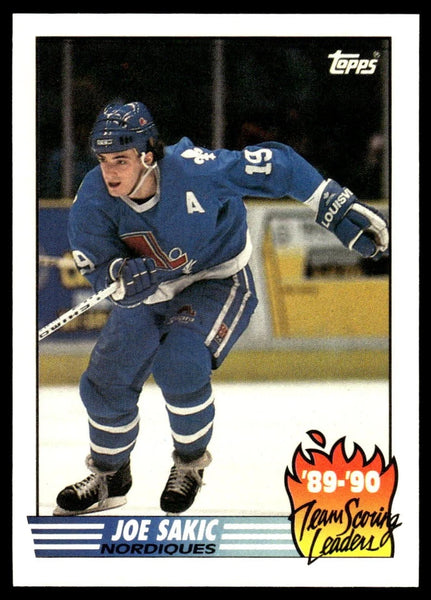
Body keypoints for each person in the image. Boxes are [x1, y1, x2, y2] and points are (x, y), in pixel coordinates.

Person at [53, 101, 389, 516]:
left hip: (217, 278)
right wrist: (119, 275)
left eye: (120, 160)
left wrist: (333, 205)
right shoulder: (92, 197)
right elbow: (100, 268)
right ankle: (110, 477)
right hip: (154, 293)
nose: (109, 171)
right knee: (104, 382)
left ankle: (189, 465)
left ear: (148, 154)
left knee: (180, 362)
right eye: (104, 160)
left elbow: (279, 164)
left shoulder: (195, 171)